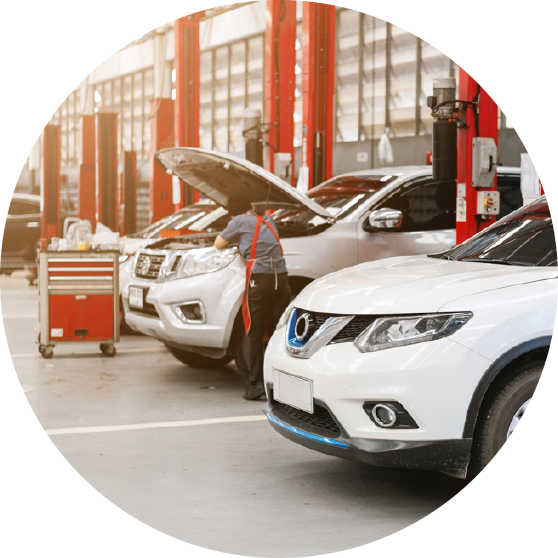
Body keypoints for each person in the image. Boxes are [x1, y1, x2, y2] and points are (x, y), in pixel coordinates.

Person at [214, 196, 291, 400]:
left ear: (233, 214)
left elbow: (218, 243)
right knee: (278, 332)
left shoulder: (238, 220)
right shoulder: (268, 220)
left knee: (254, 331)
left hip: (260, 280)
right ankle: (281, 383)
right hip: (281, 279)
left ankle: (255, 384)